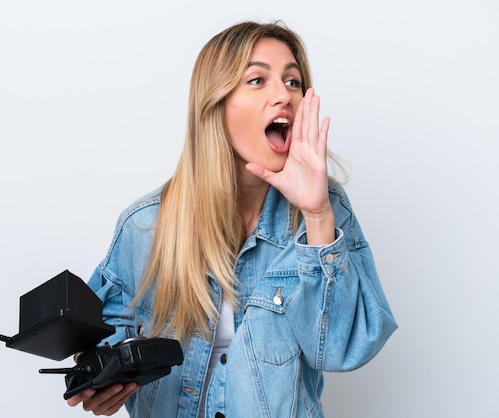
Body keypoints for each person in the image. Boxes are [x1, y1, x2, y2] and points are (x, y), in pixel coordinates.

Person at [67, 20, 397, 417]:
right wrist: (103, 382)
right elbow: (103, 339)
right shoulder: (147, 225)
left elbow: (342, 349)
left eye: (293, 82)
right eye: (257, 80)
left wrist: (317, 213)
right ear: (216, 103)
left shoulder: (326, 210)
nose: (284, 96)